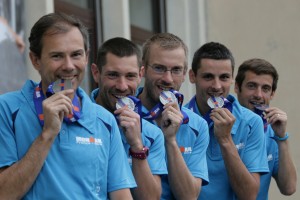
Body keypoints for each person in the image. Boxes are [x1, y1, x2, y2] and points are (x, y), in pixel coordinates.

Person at [0, 13, 136, 199]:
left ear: (86, 57)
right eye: (57, 56)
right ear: (35, 60)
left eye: (76, 55)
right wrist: (47, 135)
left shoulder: (104, 120)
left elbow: (121, 194)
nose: (69, 66)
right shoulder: (7, 109)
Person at [185, 42, 269, 200]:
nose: (217, 86)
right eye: (208, 77)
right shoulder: (178, 120)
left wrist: (225, 139)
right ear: (192, 76)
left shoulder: (251, 122)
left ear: (232, 79)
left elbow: (249, 195)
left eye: (224, 77)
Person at [90, 37, 168, 200]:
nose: (122, 86)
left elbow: (150, 198)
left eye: (130, 76)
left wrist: (137, 146)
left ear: (141, 74)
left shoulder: (152, 134)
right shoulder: (75, 119)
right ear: (96, 73)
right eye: (113, 75)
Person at [137, 32, 209, 199]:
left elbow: (189, 196)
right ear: (143, 70)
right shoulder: (124, 116)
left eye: (176, 70)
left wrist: (170, 141)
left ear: (184, 74)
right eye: (159, 68)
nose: (168, 79)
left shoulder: (197, 125)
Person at [234, 58, 297, 199]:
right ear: (237, 87)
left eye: (266, 89)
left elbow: (289, 188)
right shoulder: (223, 124)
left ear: (272, 93)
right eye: (251, 86)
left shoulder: (272, 130)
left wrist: (282, 138)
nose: (258, 95)